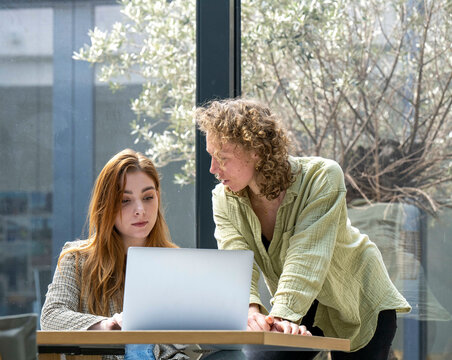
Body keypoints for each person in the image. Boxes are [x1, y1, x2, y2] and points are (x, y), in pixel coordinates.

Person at [195, 98, 411, 360]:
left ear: (256, 151)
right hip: (296, 305)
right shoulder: (224, 198)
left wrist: (282, 316)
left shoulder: (322, 177)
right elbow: (236, 264)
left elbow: (307, 258)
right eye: (211, 156)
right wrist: (252, 315)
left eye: (222, 157)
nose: (213, 169)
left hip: (356, 301)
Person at [41, 149, 186, 360]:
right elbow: (51, 317)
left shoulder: (177, 263)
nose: (140, 210)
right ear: (106, 205)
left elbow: (188, 343)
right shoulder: (77, 260)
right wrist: (106, 326)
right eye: (125, 200)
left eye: (148, 197)